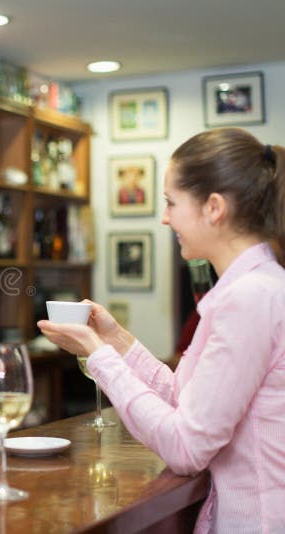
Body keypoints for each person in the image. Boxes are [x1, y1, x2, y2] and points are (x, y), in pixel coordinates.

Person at [38, 127, 285, 533]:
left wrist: (97, 355)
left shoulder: (250, 299)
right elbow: (188, 400)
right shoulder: (250, 288)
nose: (165, 217)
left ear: (213, 208)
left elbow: (186, 446)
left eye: (171, 202)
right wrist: (115, 339)